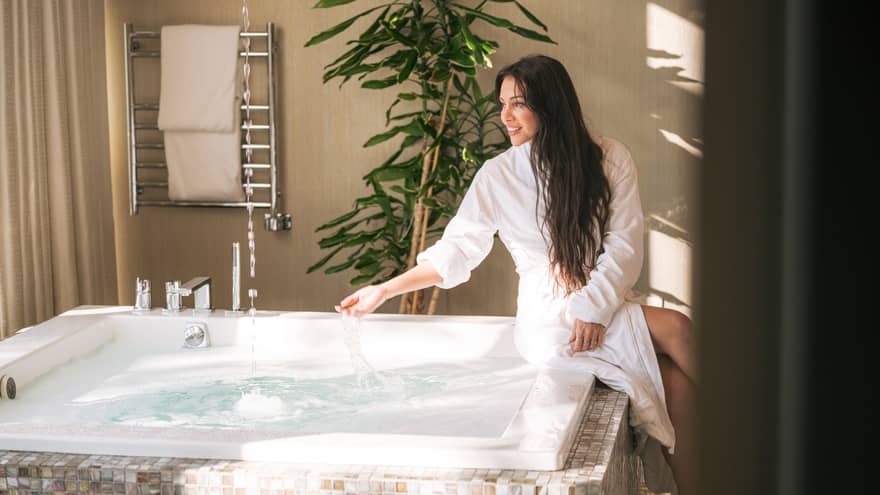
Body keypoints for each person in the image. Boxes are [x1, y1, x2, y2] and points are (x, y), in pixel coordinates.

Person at [336, 55, 697, 495]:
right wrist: (384, 289)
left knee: (677, 386)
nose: (505, 116)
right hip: (551, 322)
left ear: (550, 105)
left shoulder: (609, 157)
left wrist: (594, 308)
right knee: (677, 326)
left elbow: (624, 246)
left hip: (599, 305)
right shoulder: (498, 176)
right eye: (502, 103)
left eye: (518, 103)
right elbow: (456, 252)